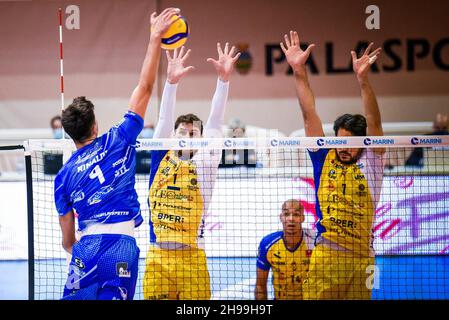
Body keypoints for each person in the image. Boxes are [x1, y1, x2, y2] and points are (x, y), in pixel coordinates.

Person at [53, 8, 180, 300]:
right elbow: (146, 88)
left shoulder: (63, 177)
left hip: (86, 248)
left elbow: (67, 240)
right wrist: (154, 39)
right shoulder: (118, 139)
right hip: (123, 244)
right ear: (95, 126)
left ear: (70, 133)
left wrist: (84, 249)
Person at [280, 30, 385, 299]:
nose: (343, 148)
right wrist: (298, 71)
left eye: (350, 143)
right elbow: (308, 114)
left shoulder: (373, 160)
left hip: (363, 260)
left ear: (363, 143)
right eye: (339, 141)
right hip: (326, 255)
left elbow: (374, 121)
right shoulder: (324, 156)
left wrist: (363, 81)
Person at [143, 43, 240, 300]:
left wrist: (223, 80)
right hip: (157, 258)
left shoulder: (206, 163)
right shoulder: (159, 156)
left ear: (201, 138)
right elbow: (164, 120)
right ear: (172, 137)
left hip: (192, 259)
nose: (187, 137)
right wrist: (171, 83)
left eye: (193, 133)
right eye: (182, 133)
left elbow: (216, 121)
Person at [255, 200, 314, 300]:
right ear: (281, 218)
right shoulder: (268, 244)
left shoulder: (315, 241)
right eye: (286, 214)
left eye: (296, 214)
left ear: (303, 218)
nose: (291, 219)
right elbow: (260, 286)